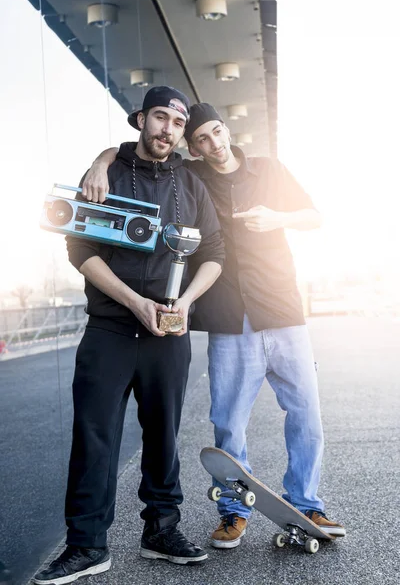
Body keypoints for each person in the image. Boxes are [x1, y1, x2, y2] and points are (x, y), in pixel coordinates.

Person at [82, 101, 346, 551]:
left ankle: (307, 502)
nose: (213, 144)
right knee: (228, 423)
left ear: (227, 130)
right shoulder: (193, 176)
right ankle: (233, 512)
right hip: (228, 317)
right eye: (201, 139)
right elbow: (132, 149)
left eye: (216, 133)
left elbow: (315, 217)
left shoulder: (268, 169)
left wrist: (277, 217)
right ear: (195, 148)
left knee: (306, 415)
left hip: (282, 310)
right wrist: (98, 163)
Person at [33, 89, 225, 585]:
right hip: (111, 328)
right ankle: (87, 546)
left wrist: (183, 304)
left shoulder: (190, 182)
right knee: (95, 437)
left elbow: (215, 254)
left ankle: (161, 531)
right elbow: (79, 249)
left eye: (178, 122)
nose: (168, 128)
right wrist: (133, 302)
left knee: (164, 436)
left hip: (168, 329)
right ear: (141, 119)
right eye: (160, 116)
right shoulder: (106, 172)